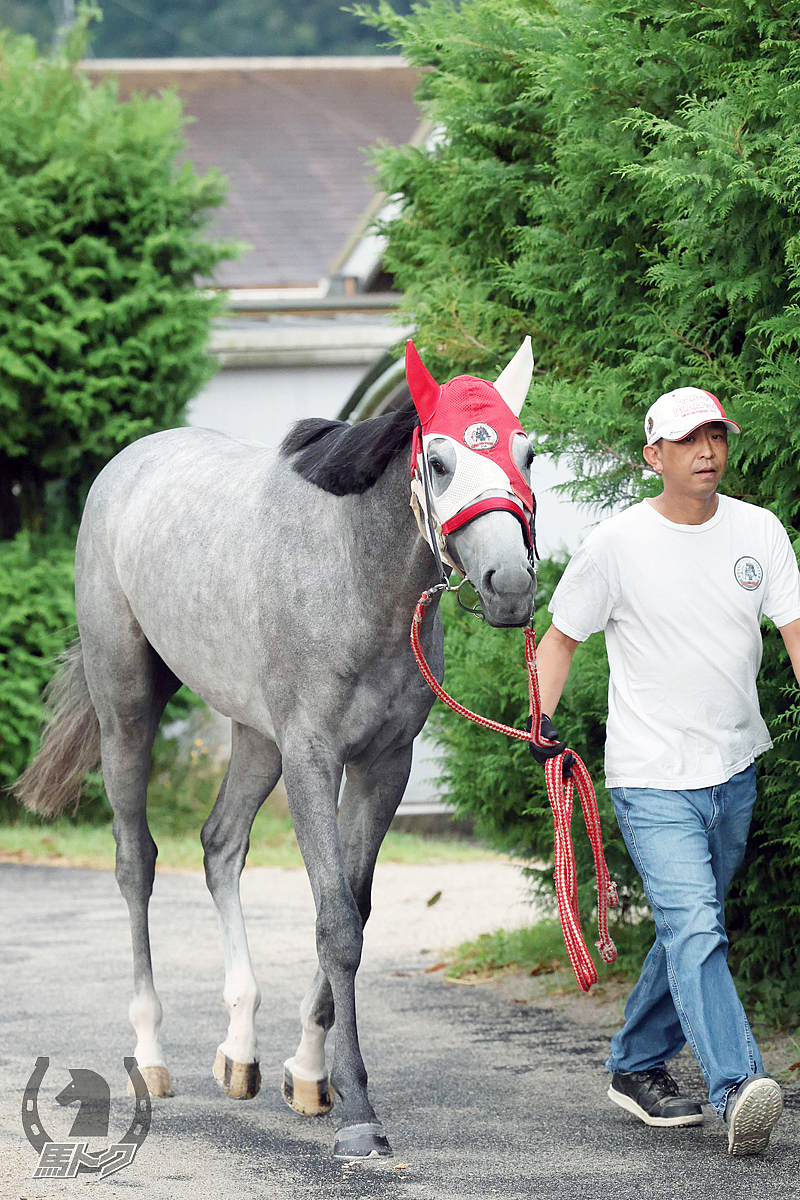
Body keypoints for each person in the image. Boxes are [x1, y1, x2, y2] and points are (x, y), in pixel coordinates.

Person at [530, 386, 800, 1156]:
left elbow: (795, 633)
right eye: (687, 440)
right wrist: (541, 725)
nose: (706, 451)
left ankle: (636, 1063)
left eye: (714, 435)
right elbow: (560, 640)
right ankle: (738, 1086)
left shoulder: (759, 531)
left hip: (735, 767)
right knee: (694, 926)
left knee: (691, 930)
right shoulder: (616, 544)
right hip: (651, 776)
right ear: (654, 455)